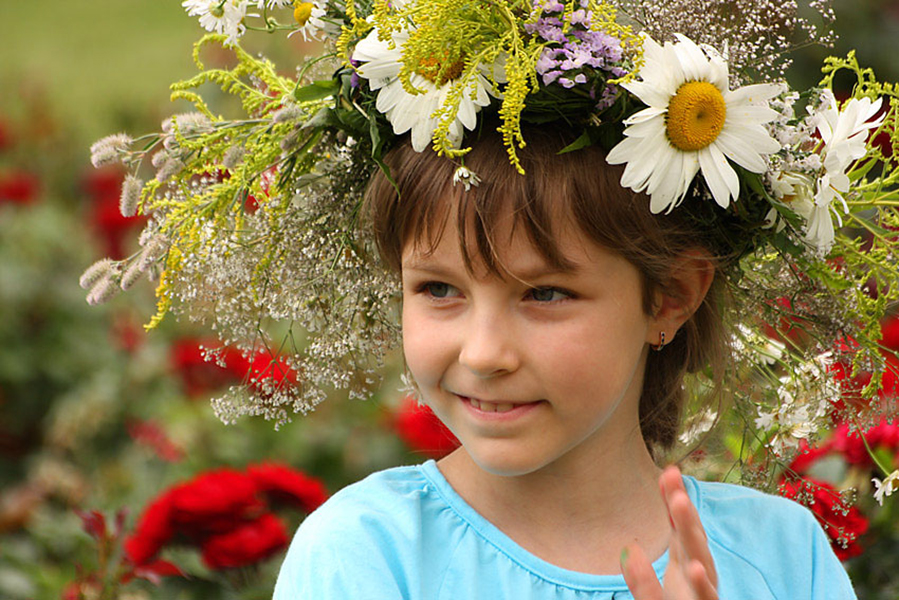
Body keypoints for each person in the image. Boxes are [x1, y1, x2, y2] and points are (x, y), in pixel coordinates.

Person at [272, 122, 857, 599]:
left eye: (544, 294)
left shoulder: (781, 558)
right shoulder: (367, 555)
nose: (483, 354)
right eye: (438, 290)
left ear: (671, 295)